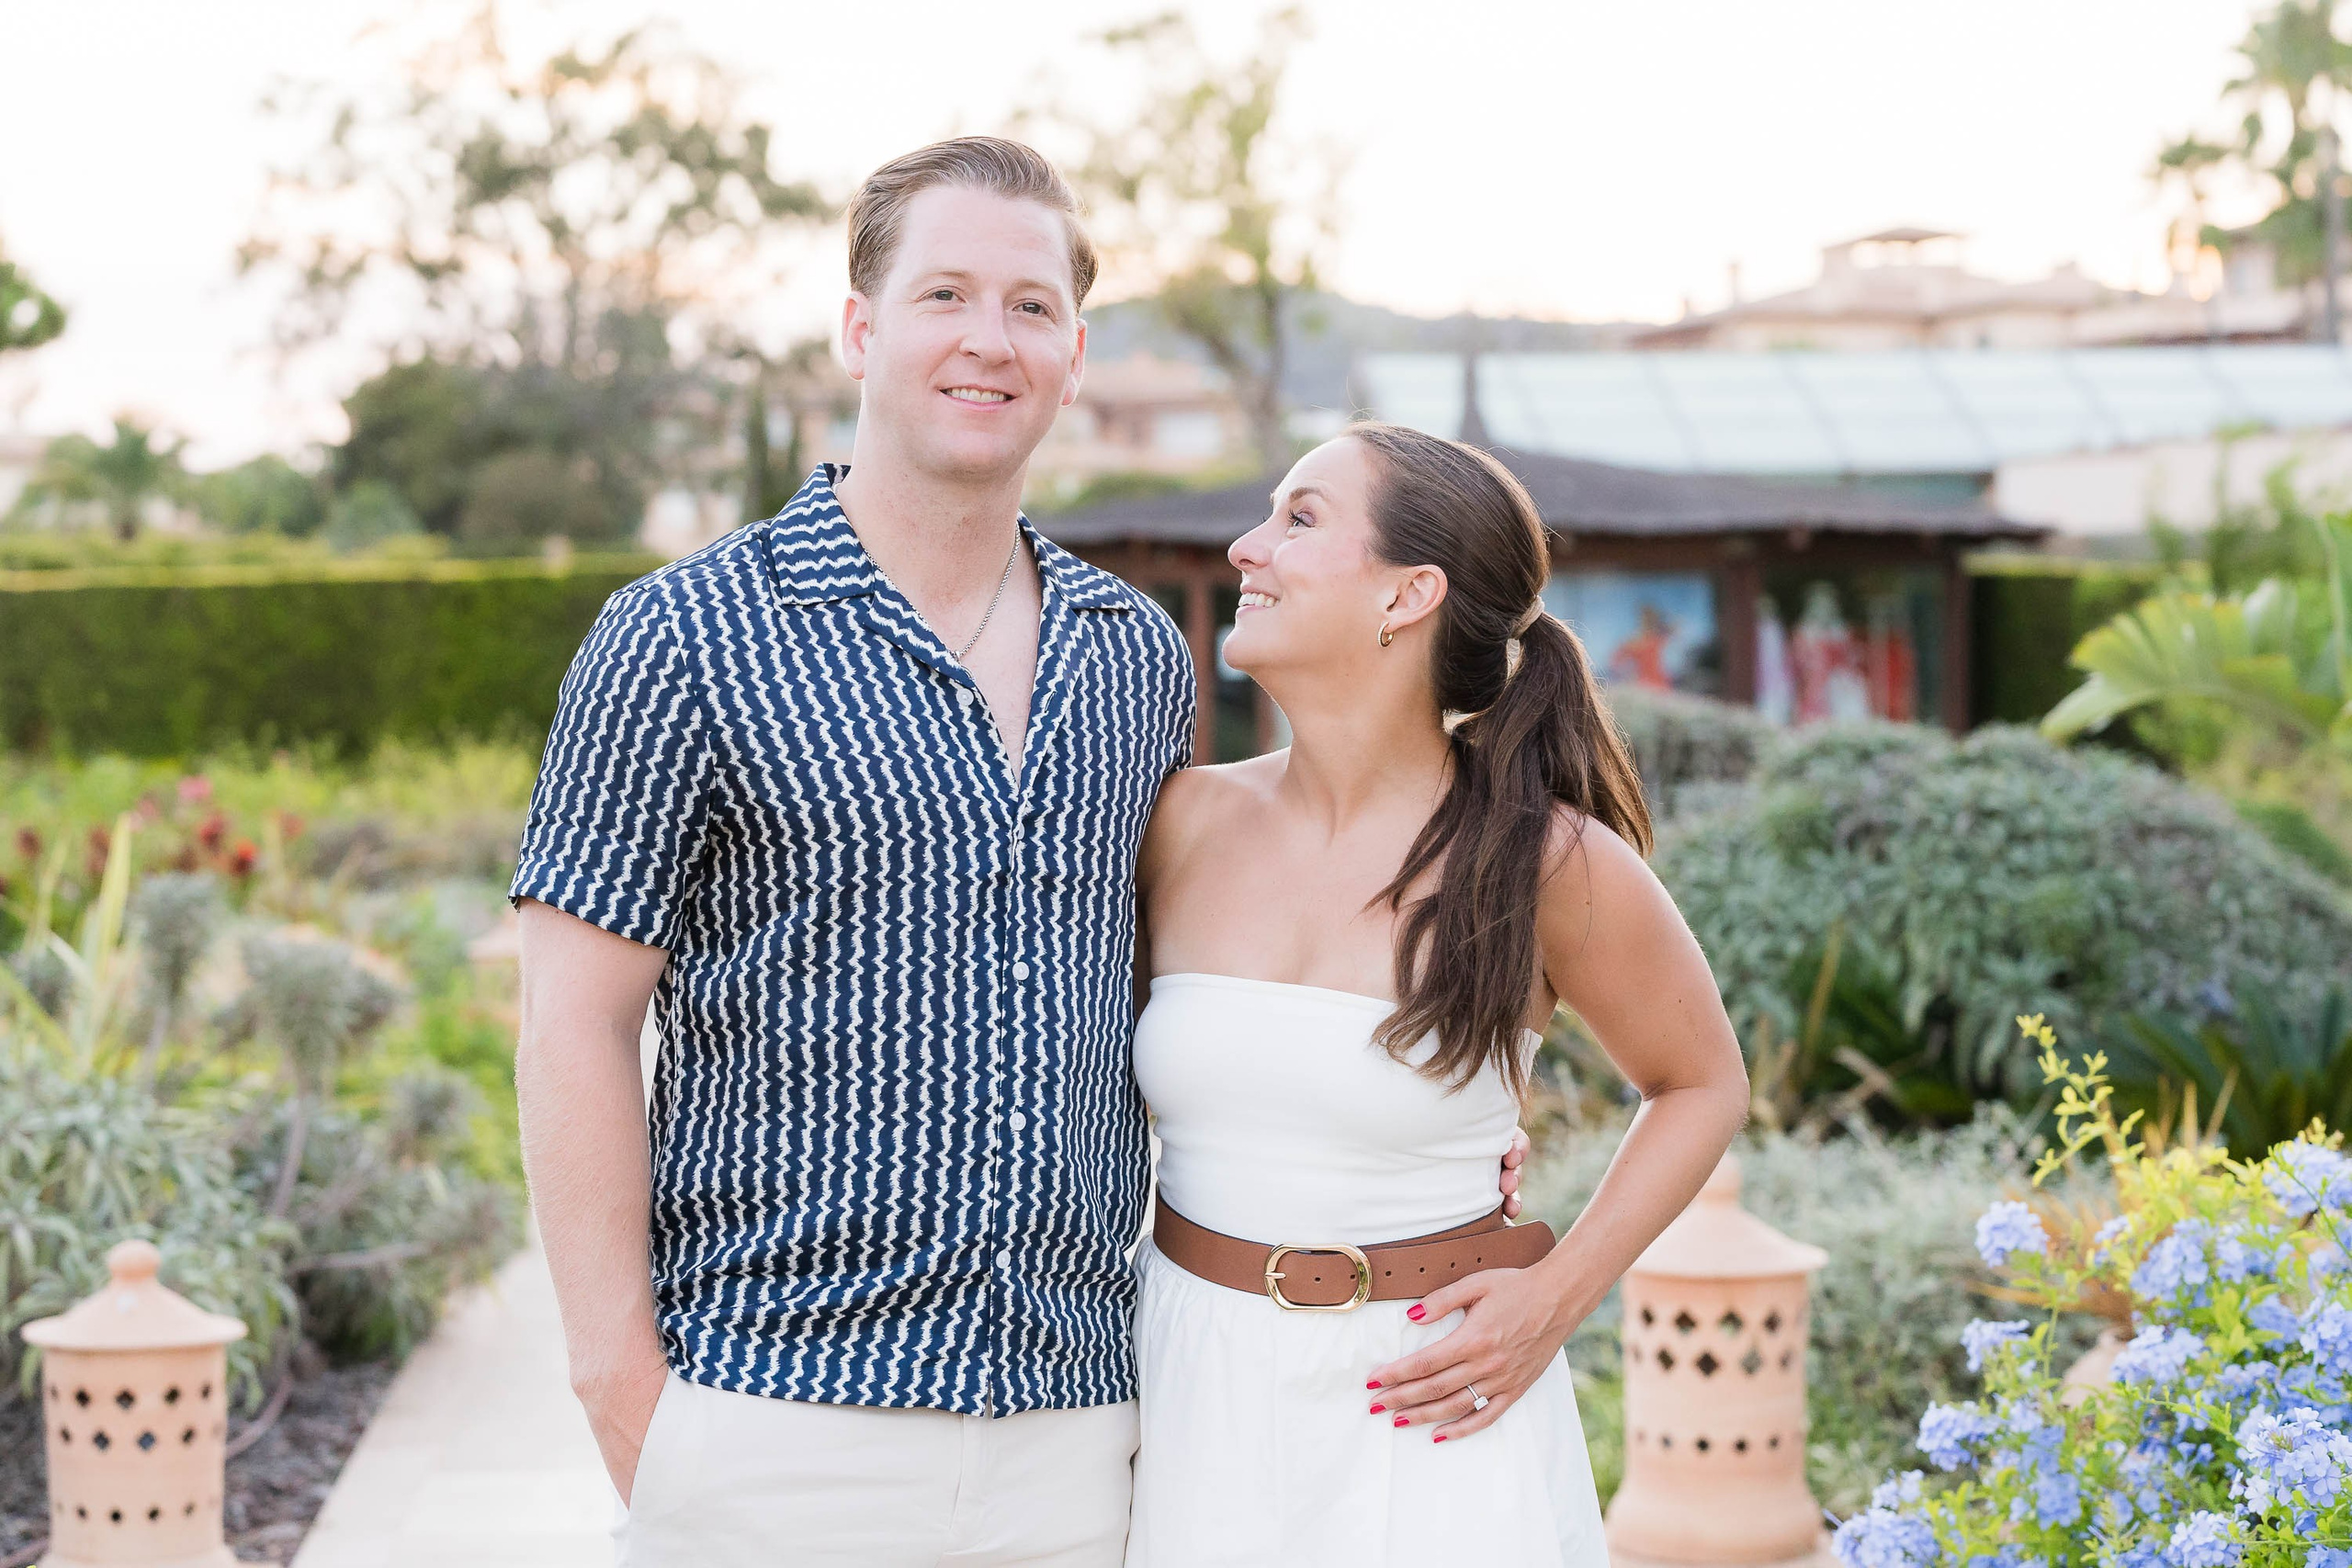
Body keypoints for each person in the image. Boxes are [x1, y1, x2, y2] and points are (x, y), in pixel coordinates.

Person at [507, 140, 1527, 1568]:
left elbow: (1210, 973)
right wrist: (623, 1386)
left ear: (1073, 351)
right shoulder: (681, 634)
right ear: (862, 327)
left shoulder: (1135, 660)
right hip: (773, 1411)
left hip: (1079, 1426)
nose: (989, 340)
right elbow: (571, 1016)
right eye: (945, 295)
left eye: (1031, 306)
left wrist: (1421, 1119)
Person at [1127, 423, 1750, 1563]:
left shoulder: (1546, 862)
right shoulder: (1176, 824)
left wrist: (1556, 1294)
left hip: (1433, 1410)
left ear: (1408, 594)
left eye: (1300, 519)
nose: (1244, 547)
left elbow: (1700, 1082)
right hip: (1185, 1388)